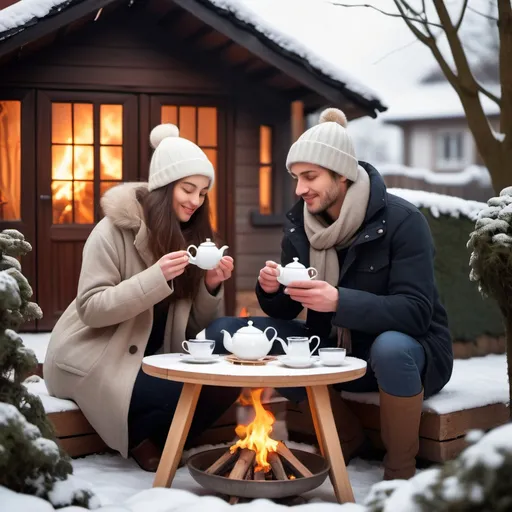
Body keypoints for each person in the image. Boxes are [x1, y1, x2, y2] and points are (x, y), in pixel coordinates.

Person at [206, 108, 453, 480]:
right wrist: (271, 291)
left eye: (310, 177)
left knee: (390, 347)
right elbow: (288, 312)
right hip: (336, 351)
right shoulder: (302, 226)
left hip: (407, 358)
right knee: (239, 333)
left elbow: (416, 312)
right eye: (295, 177)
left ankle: (399, 472)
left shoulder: (403, 221)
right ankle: (349, 439)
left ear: (342, 174)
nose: (300, 189)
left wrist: (339, 301)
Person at [44, 124, 240, 472]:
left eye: (203, 192)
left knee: (227, 383)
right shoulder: (112, 231)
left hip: (156, 360)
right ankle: (140, 438)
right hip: (97, 356)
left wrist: (209, 287)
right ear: (164, 187)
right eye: (188, 189)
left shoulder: (191, 236)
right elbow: (91, 308)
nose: (196, 201)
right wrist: (155, 277)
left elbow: (194, 327)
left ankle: (165, 437)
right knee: (183, 390)